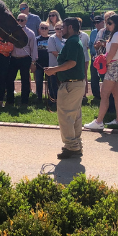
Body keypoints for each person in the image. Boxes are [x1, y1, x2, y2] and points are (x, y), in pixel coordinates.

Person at [45, 17, 86, 159]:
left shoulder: (73, 42)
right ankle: (75, 145)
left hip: (70, 85)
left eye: (63, 27)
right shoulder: (74, 41)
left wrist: (54, 70)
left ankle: (71, 146)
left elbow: (71, 63)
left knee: (66, 116)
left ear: (70, 27)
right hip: (75, 84)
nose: (61, 30)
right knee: (74, 116)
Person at [84, 15, 118, 129]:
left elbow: (112, 53)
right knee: (116, 94)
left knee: (104, 94)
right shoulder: (117, 34)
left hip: (113, 65)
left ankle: (99, 122)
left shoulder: (117, 34)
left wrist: (103, 64)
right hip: (117, 65)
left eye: (110, 23)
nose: (107, 25)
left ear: (116, 23)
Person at [7, 13, 37, 107]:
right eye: (18, 20)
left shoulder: (30, 33)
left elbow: (34, 49)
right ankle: (10, 101)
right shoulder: (11, 32)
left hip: (25, 59)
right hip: (13, 59)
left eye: (22, 20)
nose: (19, 22)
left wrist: (33, 62)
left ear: (26, 21)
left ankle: (24, 101)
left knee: (25, 80)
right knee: (9, 79)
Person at [46, 24, 66, 109]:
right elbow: (54, 52)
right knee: (53, 85)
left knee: (62, 85)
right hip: (54, 66)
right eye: (57, 29)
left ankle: (62, 102)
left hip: (63, 67)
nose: (59, 30)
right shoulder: (52, 38)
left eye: (61, 28)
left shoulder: (66, 40)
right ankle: (53, 102)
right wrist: (65, 59)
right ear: (54, 29)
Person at [88, 16, 104, 101]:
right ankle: (96, 96)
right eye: (95, 23)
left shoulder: (106, 32)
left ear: (103, 22)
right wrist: (91, 54)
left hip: (103, 58)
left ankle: (108, 95)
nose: (96, 24)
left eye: (98, 22)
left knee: (104, 77)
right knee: (94, 77)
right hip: (94, 57)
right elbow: (90, 44)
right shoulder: (93, 32)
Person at [34, 23, 51, 103]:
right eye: (42, 28)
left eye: (45, 28)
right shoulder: (36, 39)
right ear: (39, 29)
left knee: (50, 81)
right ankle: (39, 97)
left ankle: (51, 97)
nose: (44, 30)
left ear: (48, 29)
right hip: (39, 63)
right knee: (39, 81)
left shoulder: (51, 39)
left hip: (49, 63)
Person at [76, 18, 91, 98]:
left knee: (84, 75)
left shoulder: (85, 35)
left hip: (84, 58)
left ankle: (84, 94)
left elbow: (88, 46)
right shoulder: (70, 34)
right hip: (74, 59)